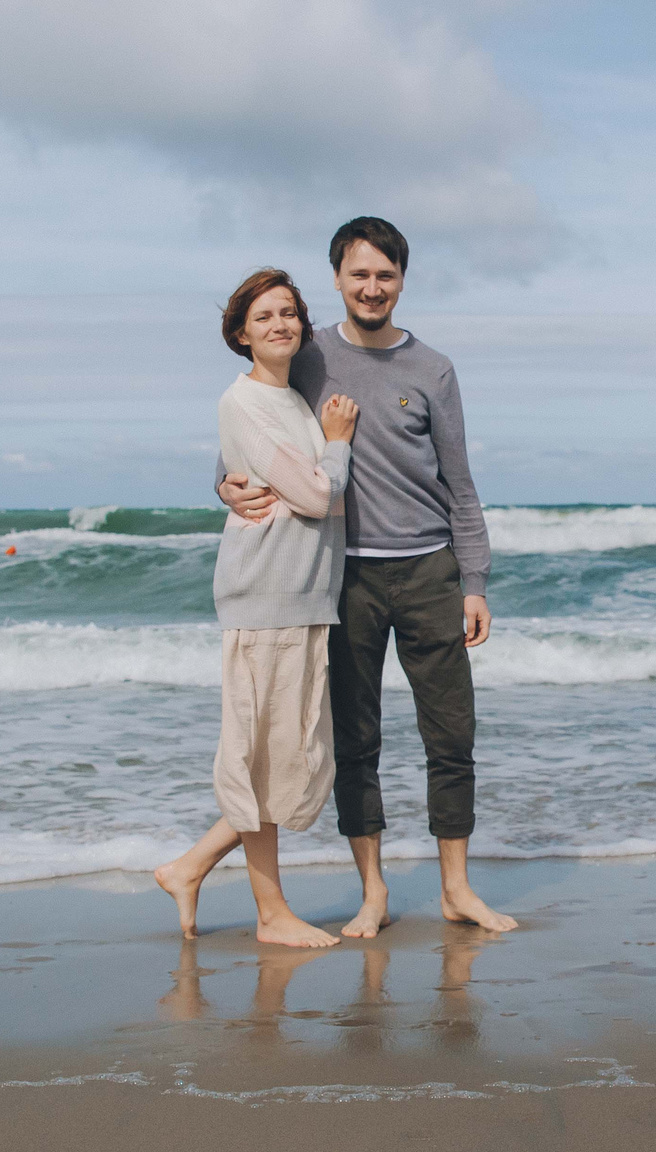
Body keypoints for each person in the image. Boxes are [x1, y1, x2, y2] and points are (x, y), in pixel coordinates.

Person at [218, 217, 516, 937]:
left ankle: (455, 889)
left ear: (402, 280)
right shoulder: (309, 353)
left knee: (452, 735)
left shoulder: (433, 369)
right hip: (341, 577)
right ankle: (373, 891)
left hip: (428, 571)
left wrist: (473, 579)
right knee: (356, 740)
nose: (372, 286)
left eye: (385, 274)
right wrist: (222, 488)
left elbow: (461, 483)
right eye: (359, 274)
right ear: (337, 279)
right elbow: (248, 442)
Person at [154, 270, 359, 948]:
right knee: (258, 760)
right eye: (266, 316)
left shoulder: (290, 401)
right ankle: (270, 914)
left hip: (300, 597)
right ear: (241, 332)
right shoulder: (245, 401)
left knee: (278, 759)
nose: (282, 324)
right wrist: (338, 442)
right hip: (266, 598)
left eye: (291, 313)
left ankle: (189, 867)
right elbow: (318, 496)